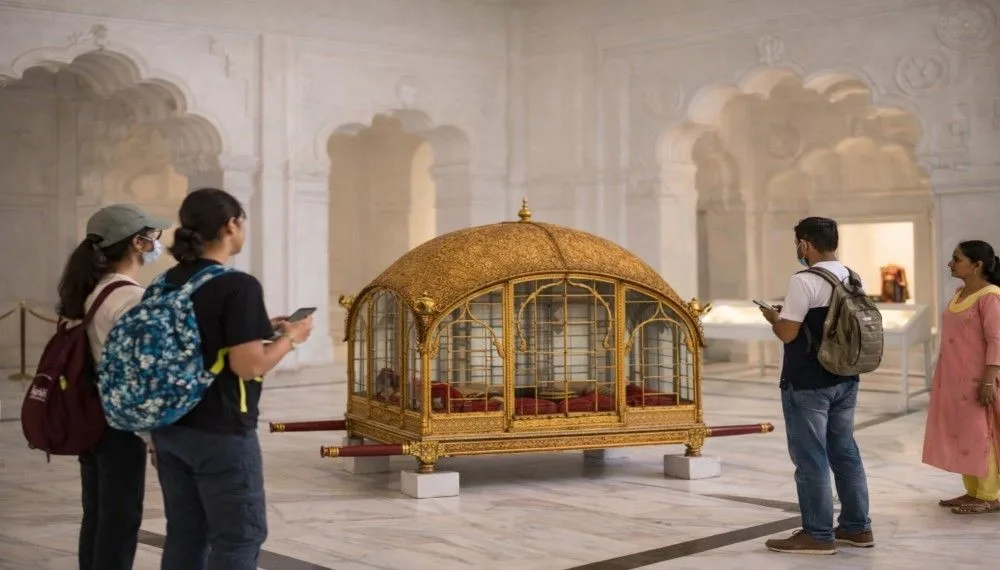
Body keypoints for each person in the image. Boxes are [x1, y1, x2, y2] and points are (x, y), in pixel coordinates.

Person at [151, 187, 313, 570]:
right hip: (220, 430)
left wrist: (262, 326)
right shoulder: (236, 285)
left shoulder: (164, 283)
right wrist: (291, 337)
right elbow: (248, 366)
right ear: (231, 224)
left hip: (169, 427)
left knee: (186, 532)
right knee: (239, 537)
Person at [56, 203, 172, 570]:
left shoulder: (94, 290)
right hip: (118, 426)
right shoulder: (129, 298)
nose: (157, 243)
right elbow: (139, 372)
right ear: (137, 242)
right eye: (153, 236)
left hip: (91, 417)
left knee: (97, 515)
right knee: (120, 522)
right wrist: (154, 437)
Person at [757, 216, 874, 555]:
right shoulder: (852, 276)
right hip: (845, 377)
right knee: (845, 452)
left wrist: (773, 318)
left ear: (804, 244)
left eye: (798, 244)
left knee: (811, 457)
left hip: (808, 381)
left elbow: (788, 333)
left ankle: (818, 534)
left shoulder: (804, 280)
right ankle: (857, 528)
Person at [923, 240, 1000, 514]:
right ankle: (973, 491)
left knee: (981, 435)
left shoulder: (990, 296)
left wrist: (988, 381)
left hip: (978, 380)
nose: (951, 263)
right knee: (963, 436)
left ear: (977, 265)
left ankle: (990, 494)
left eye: (957, 259)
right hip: (954, 379)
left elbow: (996, 341)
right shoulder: (959, 293)